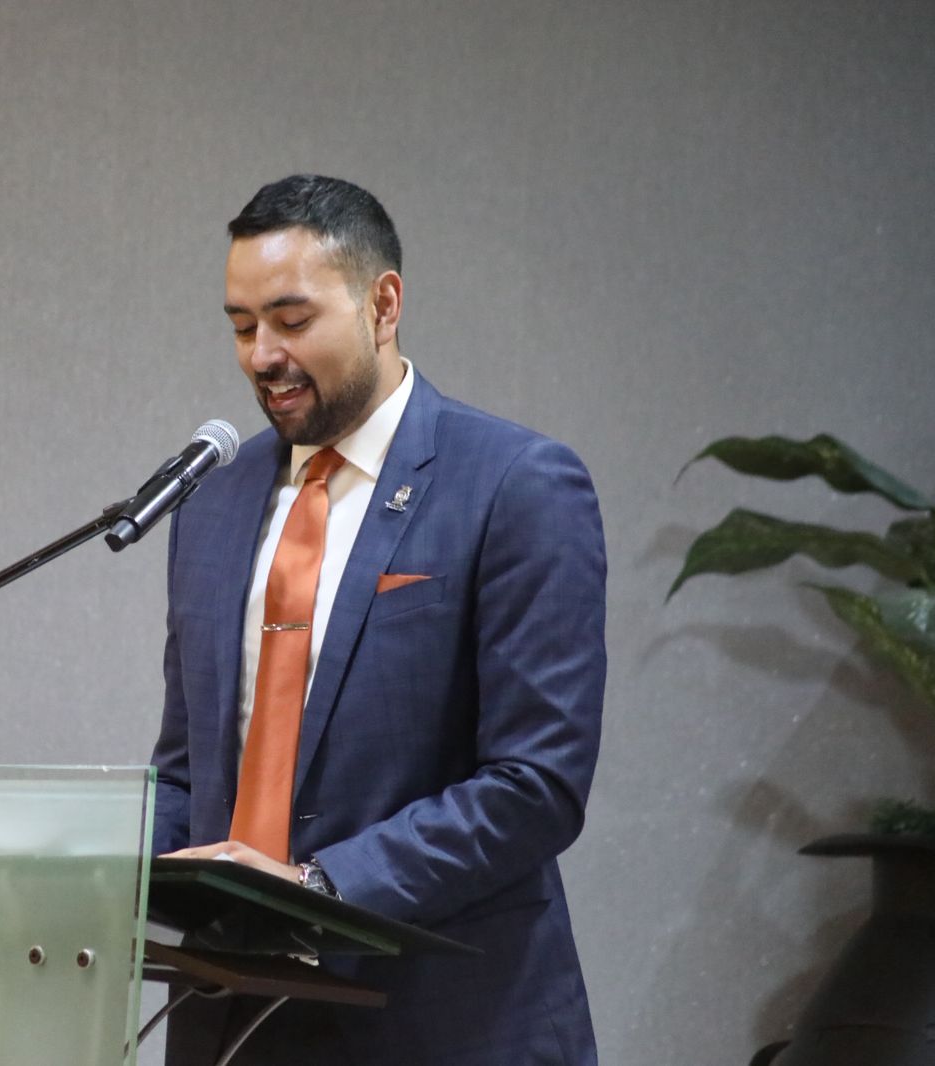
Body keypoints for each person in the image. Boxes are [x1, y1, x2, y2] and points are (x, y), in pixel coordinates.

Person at [149, 174, 607, 1066]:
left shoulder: (515, 484)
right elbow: (186, 771)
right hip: (229, 1021)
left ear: (383, 304)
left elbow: (536, 785)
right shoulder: (212, 503)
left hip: (444, 1024)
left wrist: (317, 890)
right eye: (241, 327)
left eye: (292, 320)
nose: (262, 355)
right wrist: (85, 866)